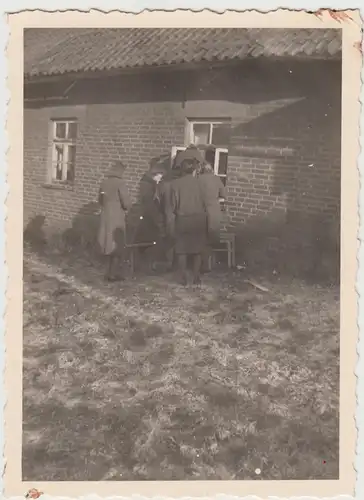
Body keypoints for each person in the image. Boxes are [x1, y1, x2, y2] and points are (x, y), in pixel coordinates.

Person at [165, 148, 207, 286]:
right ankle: (196, 277)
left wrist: (170, 224)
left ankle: (183, 277)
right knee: (197, 249)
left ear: (182, 169)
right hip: (199, 219)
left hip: (183, 220)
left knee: (182, 250)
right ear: (194, 169)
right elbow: (206, 203)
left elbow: (171, 208)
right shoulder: (202, 184)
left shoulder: (175, 185)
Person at [97, 161, 131, 281]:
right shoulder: (120, 183)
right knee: (117, 244)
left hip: (106, 215)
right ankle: (113, 274)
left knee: (107, 243)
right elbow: (126, 203)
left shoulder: (104, 182)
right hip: (116, 216)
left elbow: (100, 200)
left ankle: (108, 272)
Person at [135, 164, 168, 271]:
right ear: (155, 175)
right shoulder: (149, 187)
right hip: (148, 218)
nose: (160, 179)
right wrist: (158, 219)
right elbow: (150, 204)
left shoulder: (148, 184)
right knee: (150, 241)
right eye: (160, 176)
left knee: (146, 242)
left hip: (146, 217)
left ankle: (144, 265)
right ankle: (146, 267)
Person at [198, 161, 227, 271]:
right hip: (214, 212)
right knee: (211, 238)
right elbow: (224, 195)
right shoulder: (216, 179)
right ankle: (209, 264)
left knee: (200, 238)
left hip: (200, 211)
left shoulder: (197, 179)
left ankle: (201, 263)